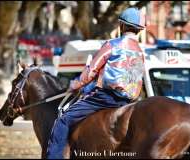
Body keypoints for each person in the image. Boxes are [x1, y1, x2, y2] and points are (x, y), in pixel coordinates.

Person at [46, 7, 146, 159]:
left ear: (122, 25)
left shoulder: (112, 45)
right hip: (129, 100)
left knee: (63, 119)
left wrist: (75, 85)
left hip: (106, 97)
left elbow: (92, 70)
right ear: (139, 30)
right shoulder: (140, 51)